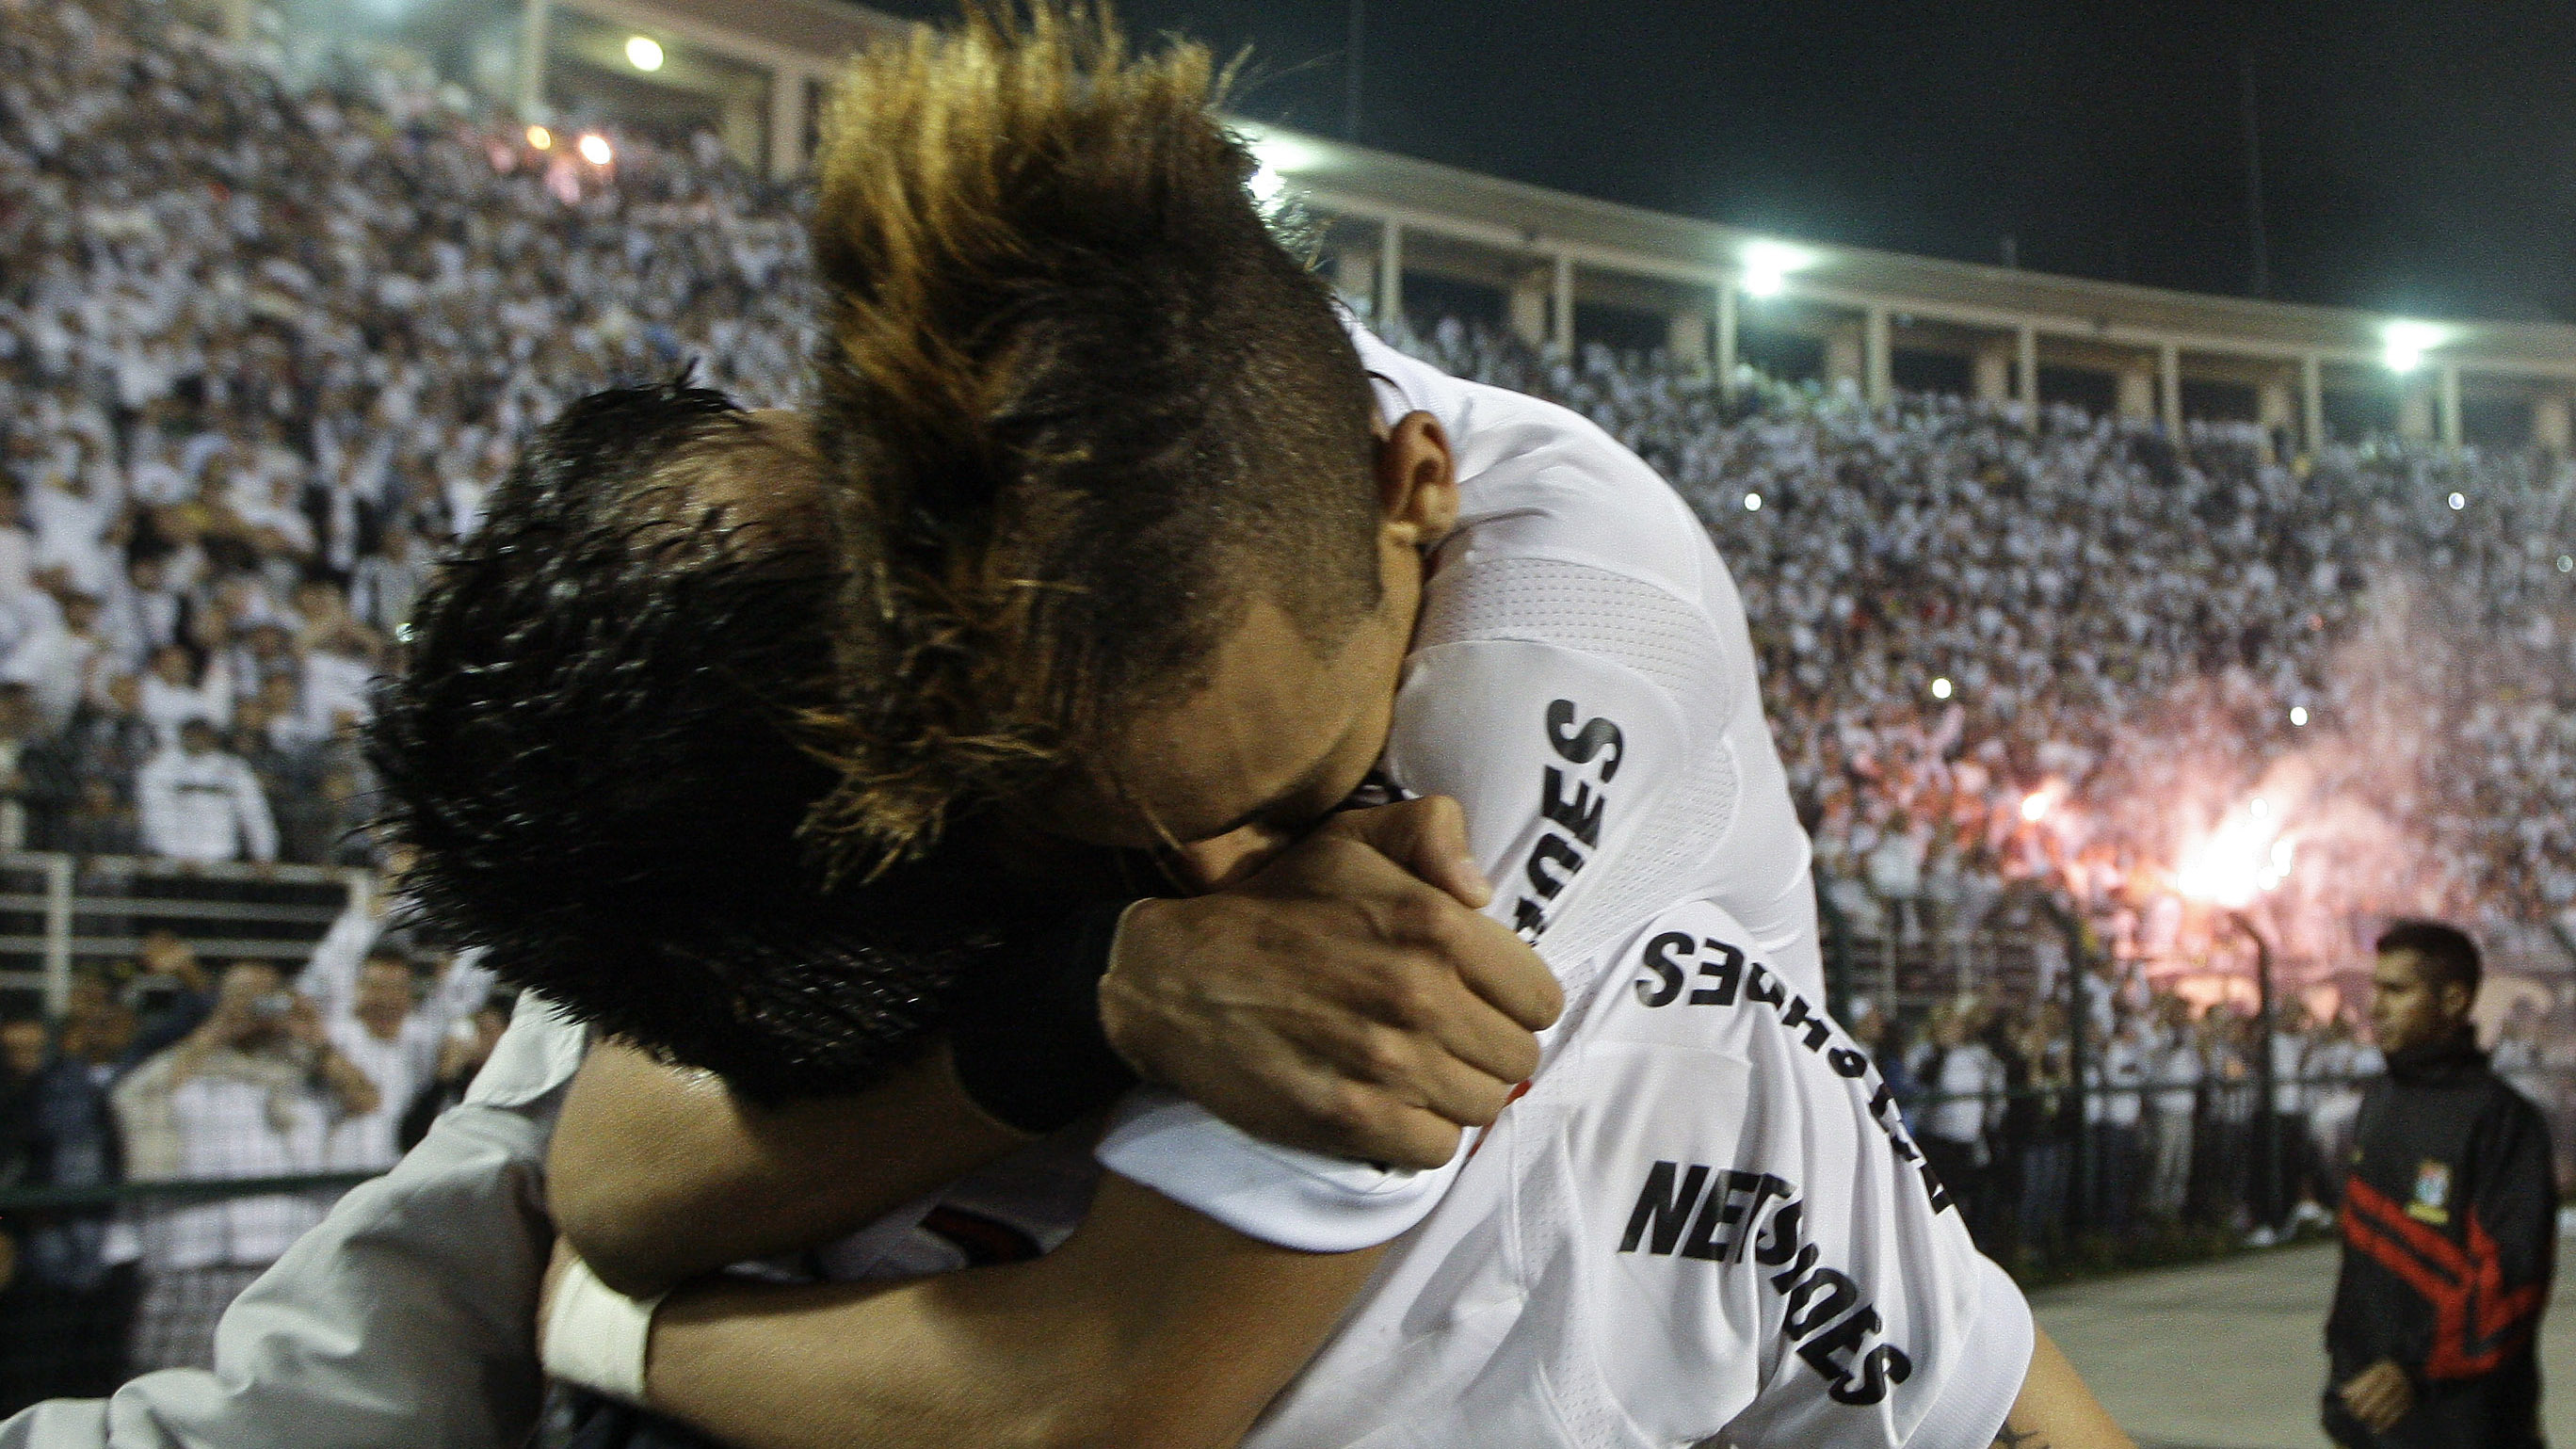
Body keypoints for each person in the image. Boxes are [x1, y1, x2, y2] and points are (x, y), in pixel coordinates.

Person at [2323, 920, 2556, 1449]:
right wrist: (2344, 1371)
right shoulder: (2380, 1098)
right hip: (2370, 1408)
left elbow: (2511, 1280)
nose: (2375, 1007)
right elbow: (2362, 1258)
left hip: (2462, 1419)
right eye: (2374, 989)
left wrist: (2413, 1368)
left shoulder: (2501, 1118)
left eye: (2396, 991)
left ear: (2453, 1000)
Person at [109, 961, 376, 1373]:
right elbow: (133, 1096)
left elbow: (366, 1101)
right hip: (192, 1260)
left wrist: (316, 1038)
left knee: (278, 1389)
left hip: (283, 1258)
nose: (258, 1008)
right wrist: (220, 1028)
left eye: (268, 995)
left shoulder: (299, 1071)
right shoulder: (182, 1068)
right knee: (170, 1386)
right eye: (244, 996)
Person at [135, 720, 275, 864]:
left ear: (213, 737)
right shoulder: (159, 767)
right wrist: (179, 854)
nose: (197, 739)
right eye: (192, 735)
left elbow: (253, 812)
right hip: (170, 860)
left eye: (202, 735)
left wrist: (264, 854)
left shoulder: (234, 768)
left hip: (221, 858)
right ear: (182, 735)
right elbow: (155, 813)